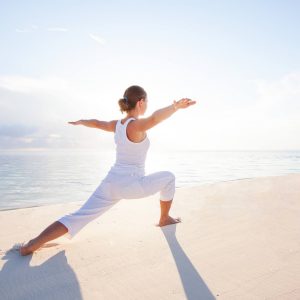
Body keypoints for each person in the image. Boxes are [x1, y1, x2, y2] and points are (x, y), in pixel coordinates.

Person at [19, 85, 196, 256]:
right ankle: (164, 218)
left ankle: (33, 244)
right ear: (141, 102)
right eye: (147, 101)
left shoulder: (117, 125)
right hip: (132, 184)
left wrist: (82, 122)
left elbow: (96, 123)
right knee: (169, 178)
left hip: (110, 183)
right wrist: (175, 107)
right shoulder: (136, 125)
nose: (148, 105)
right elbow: (155, 118)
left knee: (78, 216)